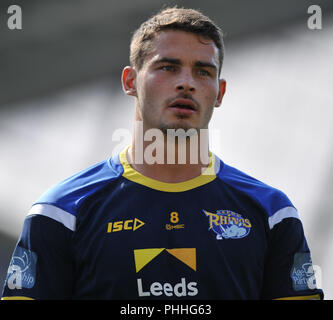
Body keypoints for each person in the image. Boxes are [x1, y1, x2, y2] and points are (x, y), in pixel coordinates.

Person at [1, 7, 323, 300]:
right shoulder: (61, 213)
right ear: (130, 82)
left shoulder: (271, 214)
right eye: (167, 68)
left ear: (220, 92)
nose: (186, 83)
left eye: (203, 72)